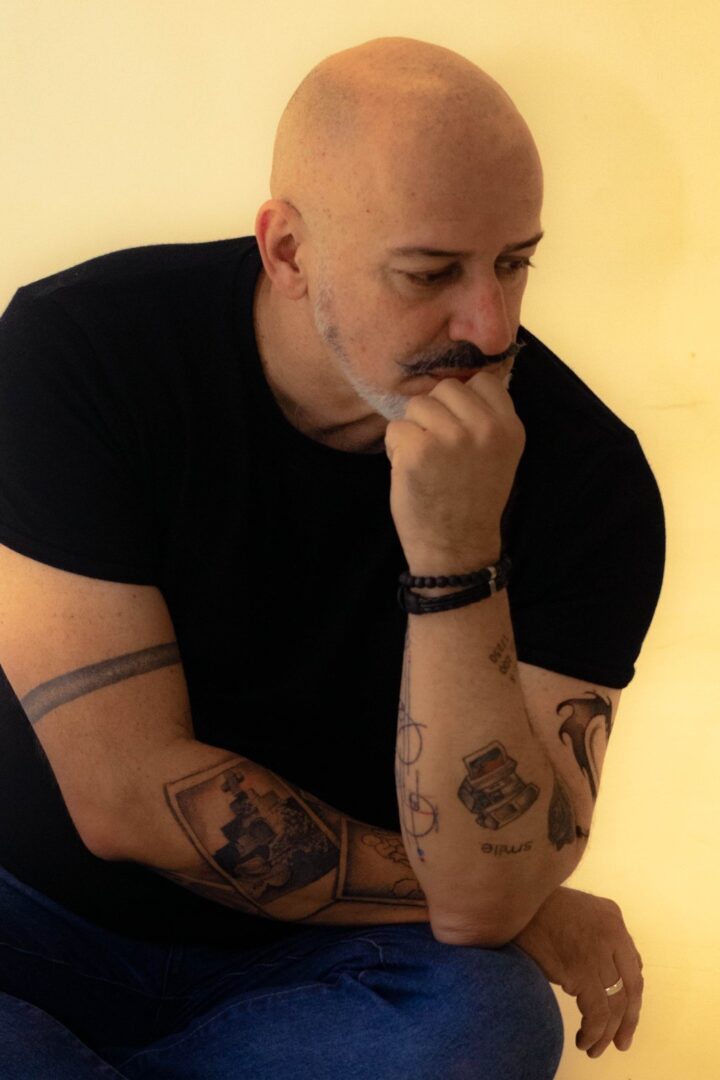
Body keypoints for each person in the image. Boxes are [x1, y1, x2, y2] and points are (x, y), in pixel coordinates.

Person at [0, 35, 664, 1080]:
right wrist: (504, 900)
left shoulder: (589, 478)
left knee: (486, 1023)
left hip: (321, 967)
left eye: (514, 262)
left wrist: (456, 557)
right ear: (288, 251)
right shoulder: (82, 348)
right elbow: (127, 795)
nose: (491, 325)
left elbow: (486, 897)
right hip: (28, 919)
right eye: (430, 272)